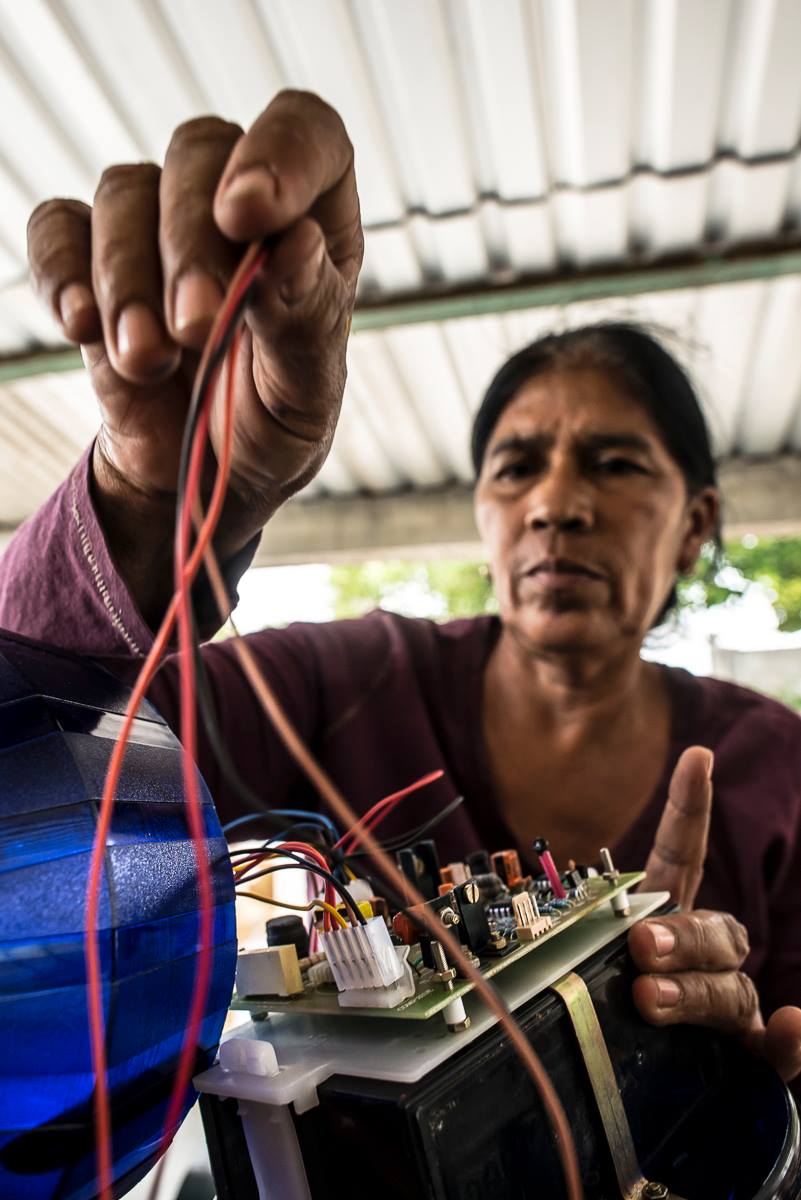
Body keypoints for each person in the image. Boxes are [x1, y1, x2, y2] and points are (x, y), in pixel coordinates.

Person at [2, 90, 801, 1086]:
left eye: (615, 464)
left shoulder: (775, 764)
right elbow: (48, 744)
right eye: (516, 469)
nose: (556, 504)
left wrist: (748, 1112)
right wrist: (148, 503)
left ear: (697, 526)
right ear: (482, 515)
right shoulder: (349, 680)